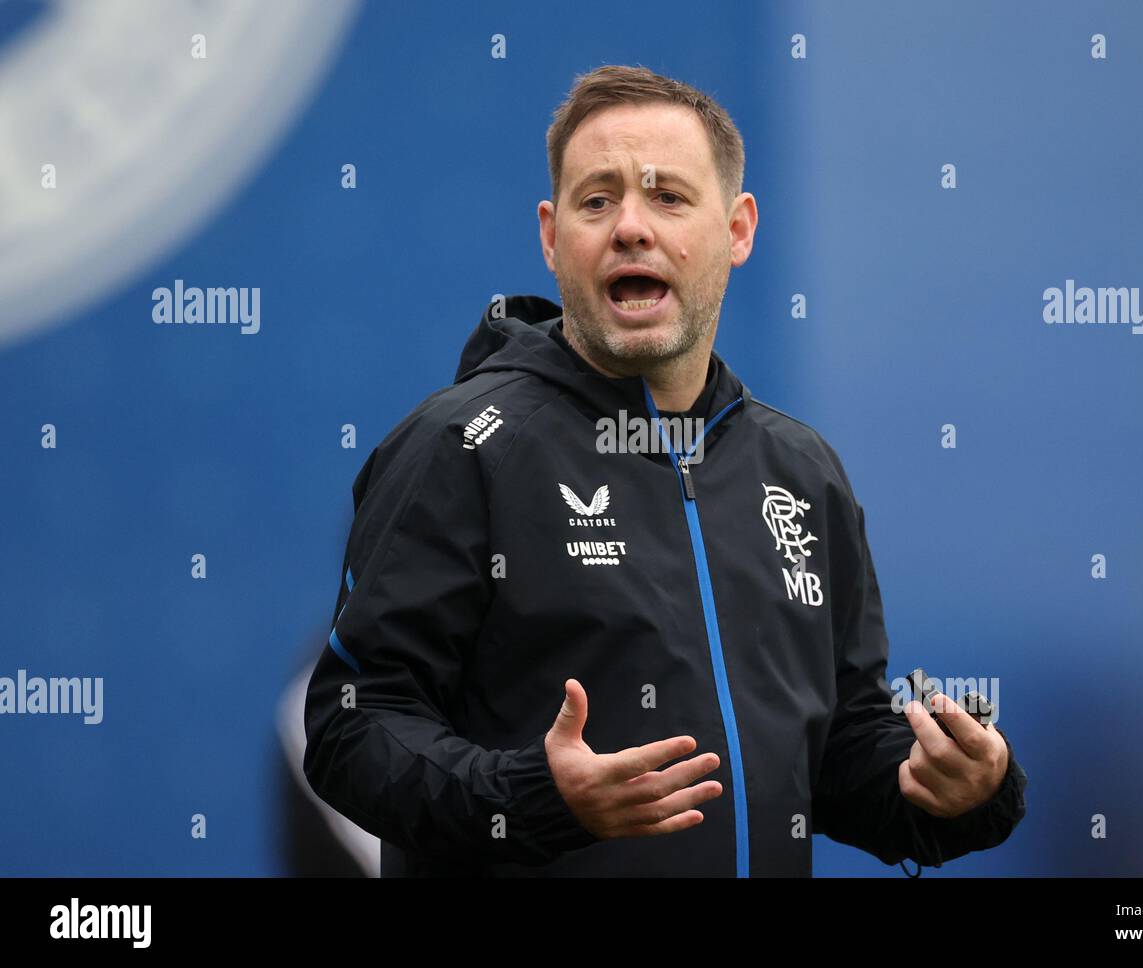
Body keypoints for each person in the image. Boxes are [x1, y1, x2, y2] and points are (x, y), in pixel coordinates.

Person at [302, 65, 1027, 877]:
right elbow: (351, 726)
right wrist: (533, 798)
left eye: (670, 198)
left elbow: (835, 748)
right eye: (597, 199)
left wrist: (940, 786)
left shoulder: (802, 472)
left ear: (739, 229)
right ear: (551, 237)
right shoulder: (461, 446)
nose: (631, 228)